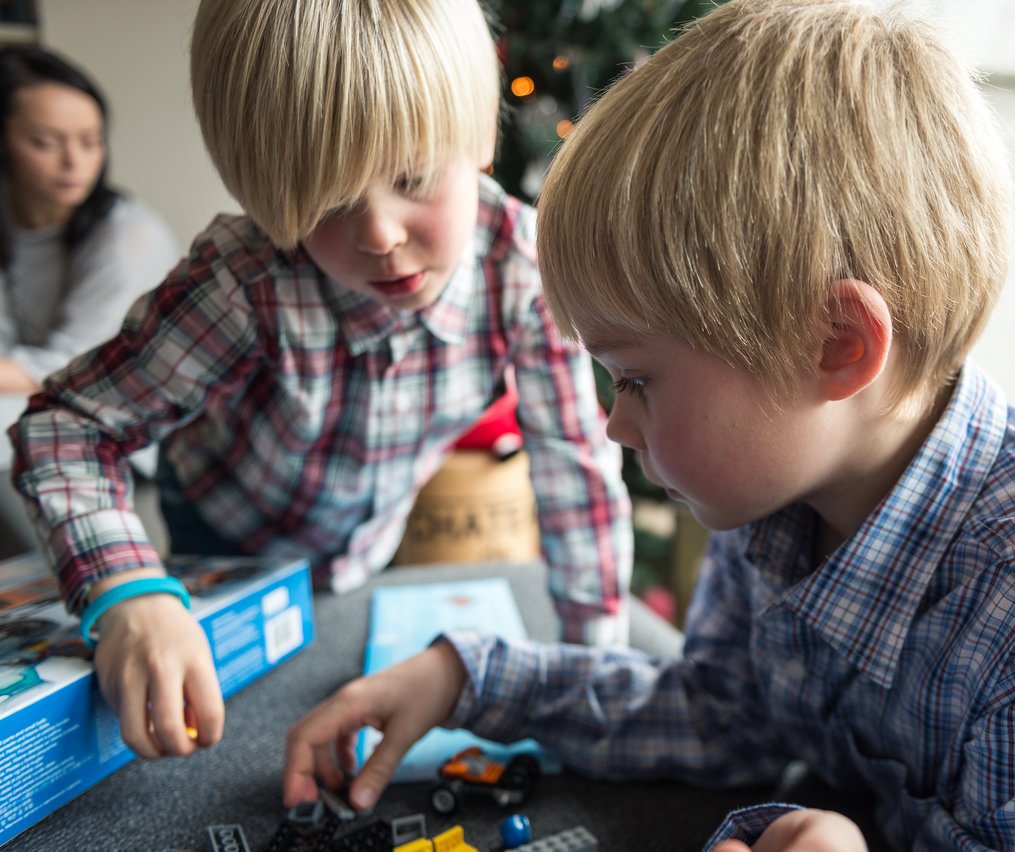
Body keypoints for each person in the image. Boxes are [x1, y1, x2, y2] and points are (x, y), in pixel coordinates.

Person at [279, 1, 1015, 849]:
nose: (614, 424)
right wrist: (468, 679)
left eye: (640, 379)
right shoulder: (783, 487)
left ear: (834, 345)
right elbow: (726, 716)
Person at [8, 0, 631, 762]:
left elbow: (576, 470)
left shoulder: (525, 268)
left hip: (368, 547)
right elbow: (64, 426)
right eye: (329, 199)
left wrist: (596, 670)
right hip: (222, 538)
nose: (380, 235)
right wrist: (129, 591)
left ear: (478, 139)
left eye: (410, 175)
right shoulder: (245, 276)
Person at [0, 45, 179, 394]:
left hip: (99, 424)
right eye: (45, 143)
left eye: (90, 142)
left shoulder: (130, 237)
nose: (74, 161)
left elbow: (76, 366)